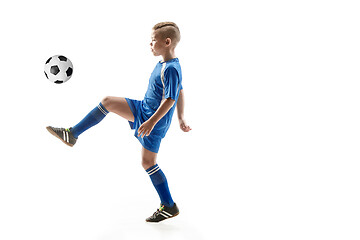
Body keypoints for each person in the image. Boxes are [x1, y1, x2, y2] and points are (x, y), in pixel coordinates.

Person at [46, 22, 191, 223]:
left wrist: (151, 122)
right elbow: (180, 90)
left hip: (153, 122)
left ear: (167, 42)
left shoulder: (172, 69)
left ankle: (168, 205)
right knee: (108, 102)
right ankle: (72, 134)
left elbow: (170, 99)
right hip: (143, 109)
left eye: (153, 41)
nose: (150, 44)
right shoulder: (164, 64)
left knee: (148, 162)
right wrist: (182, 118)